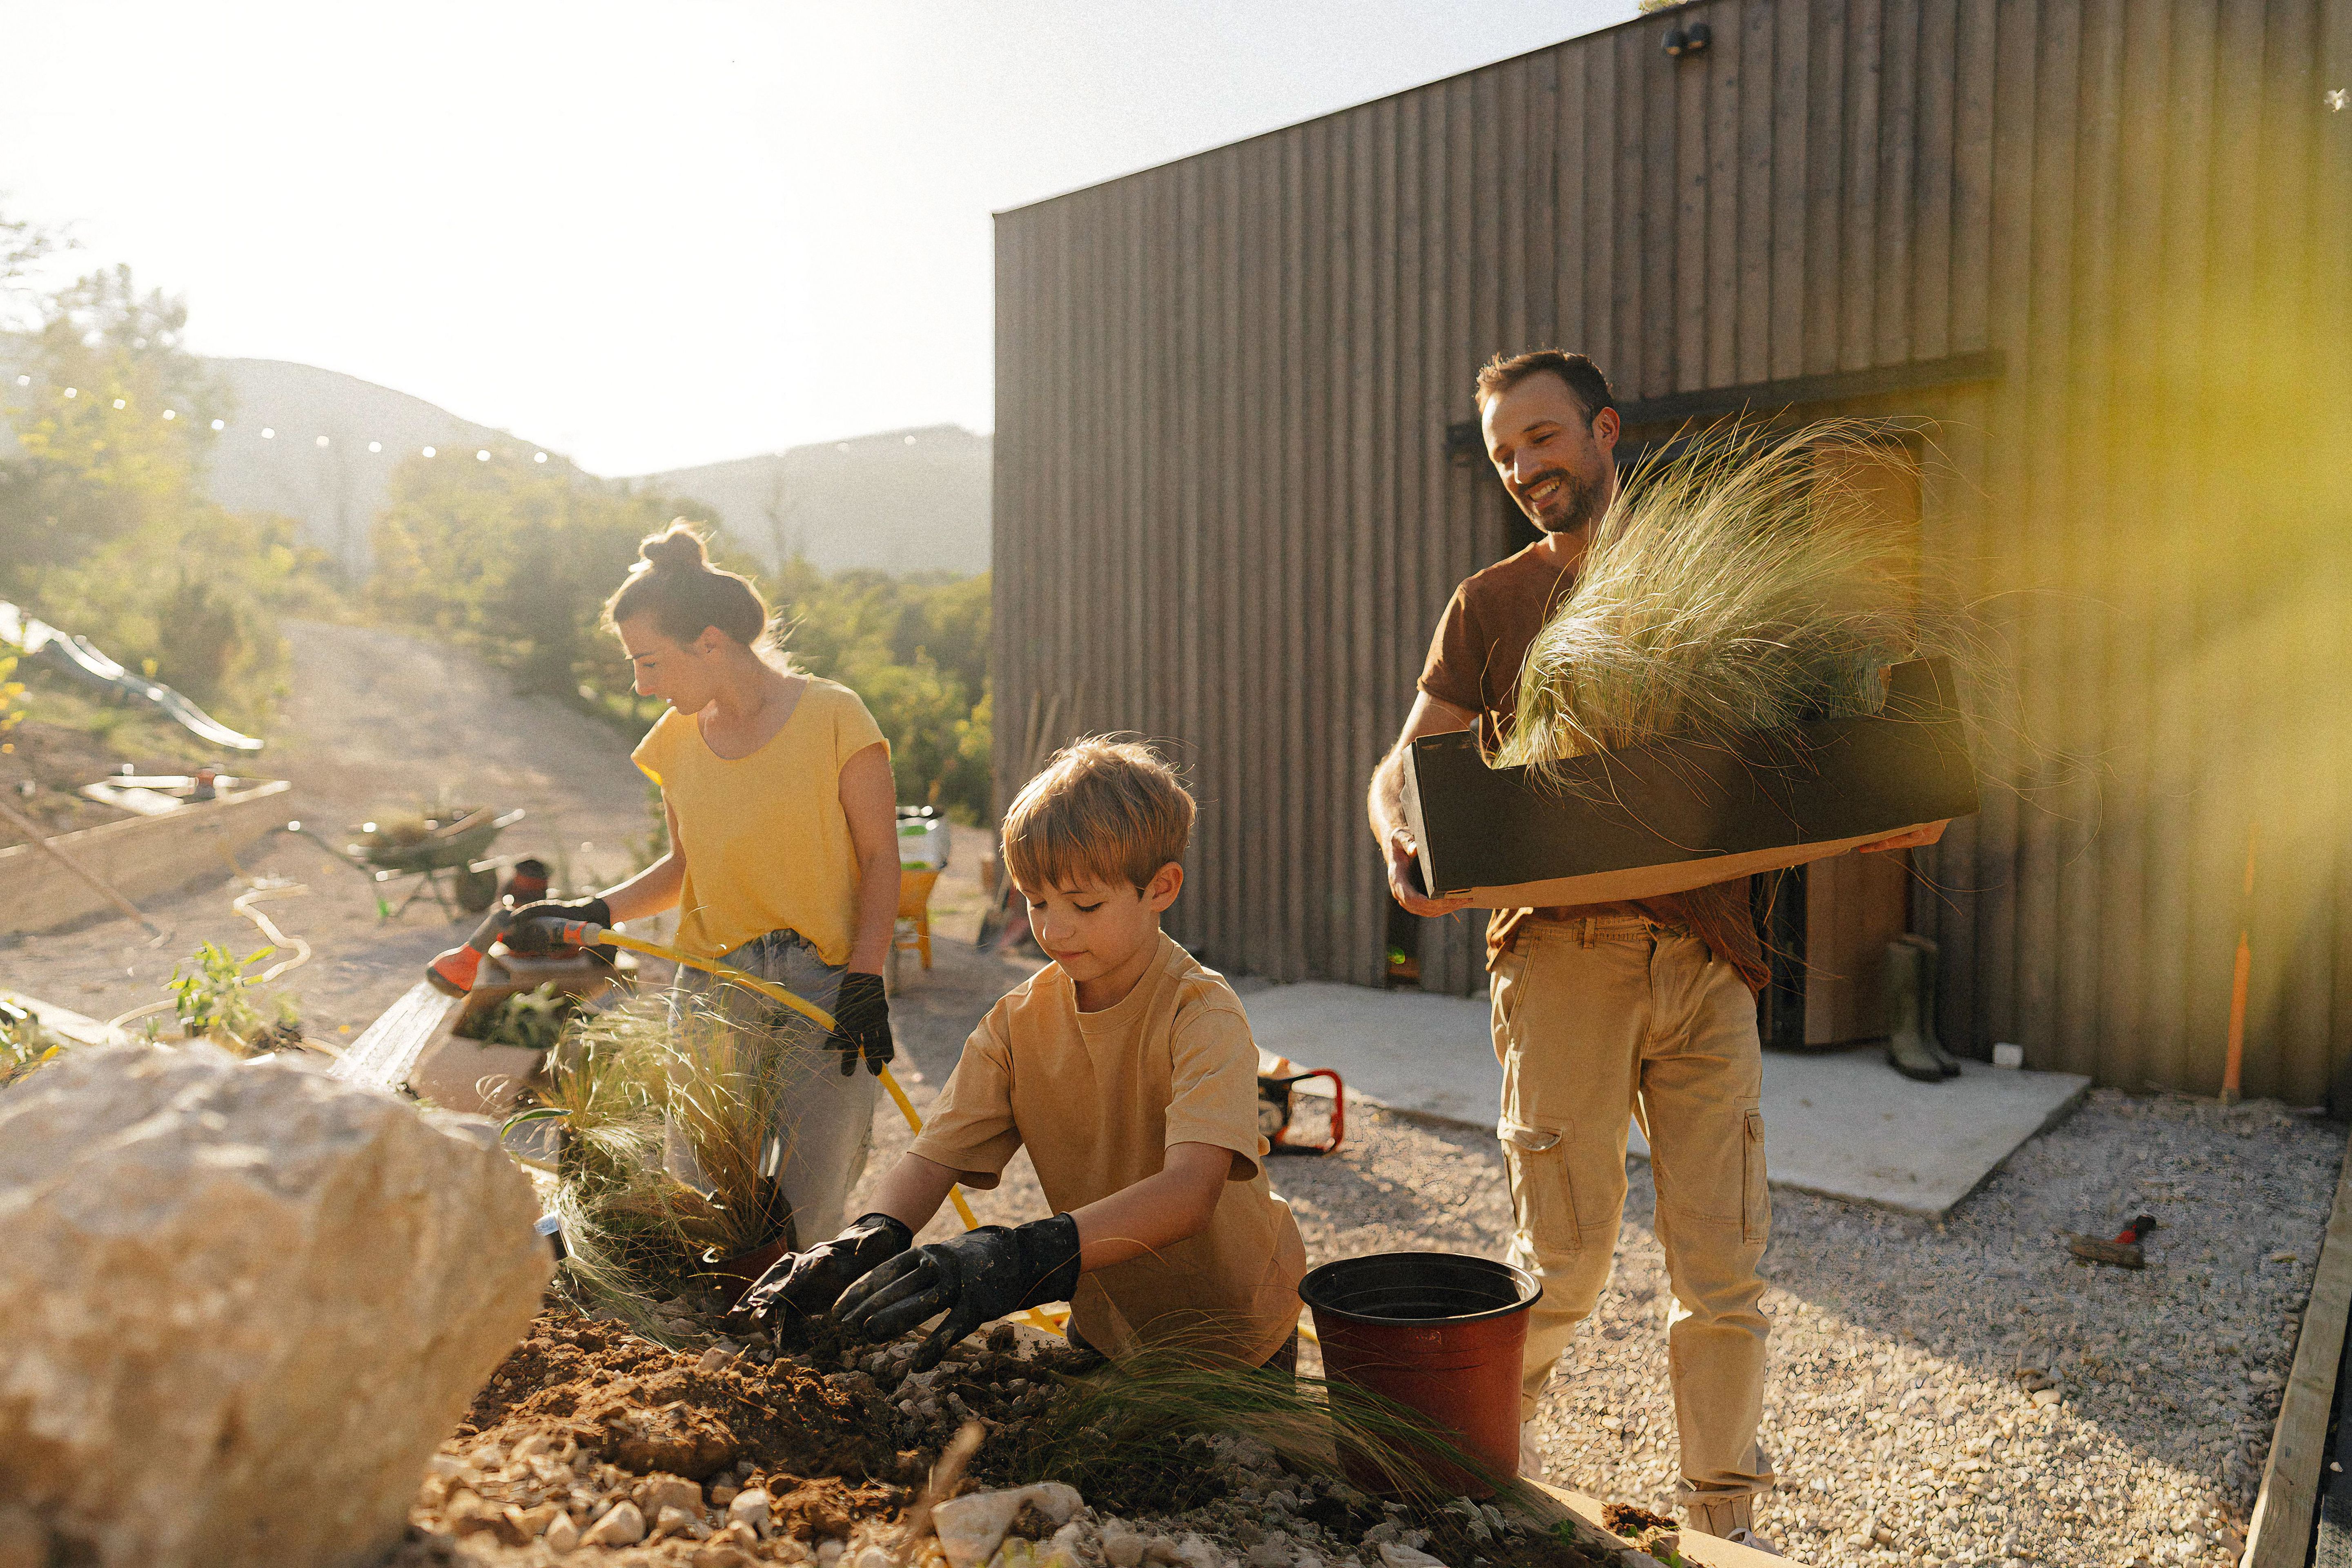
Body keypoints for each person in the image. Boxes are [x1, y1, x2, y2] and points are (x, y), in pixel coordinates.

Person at [1364, 350, 1942, 1552]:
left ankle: (1723, 1526)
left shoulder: (1721, 584)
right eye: (1504, 453)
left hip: (1711, 961)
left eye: (1542, 438)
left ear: (1605, 429)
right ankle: (1472, 1478)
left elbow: (1825, 740)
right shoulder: (1492, 605)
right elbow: (1403, 767)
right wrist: (1398, 841)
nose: (1526, 467)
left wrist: (1900, 787)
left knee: (1723, 1271)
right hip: (1560, 961)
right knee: (1563, 1263)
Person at [742, 737, 1307, 1375]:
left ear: (1162, 887)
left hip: (1232, 1328)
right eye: (1036, 903)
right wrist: (868, 1237)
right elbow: (934, 1156)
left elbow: (1190, 1193)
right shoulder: (1018, 1023)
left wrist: (1025, 1255)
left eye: (1084, 905)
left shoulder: (1202, 1014)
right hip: (1107, 1316)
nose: (1054, 929)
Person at [513, 521, 902, 1251]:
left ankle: (790, 1350)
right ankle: (713, 1356)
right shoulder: (675, 741)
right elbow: (685, 866)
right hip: (712, 989)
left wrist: (866, 980)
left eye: (651, 662)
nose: (643, 684)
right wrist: (591, 911)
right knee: (697, 1201)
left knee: (809, 1204)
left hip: (824, 989)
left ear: (712, 642)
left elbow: (883, 860)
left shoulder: (836, 717)